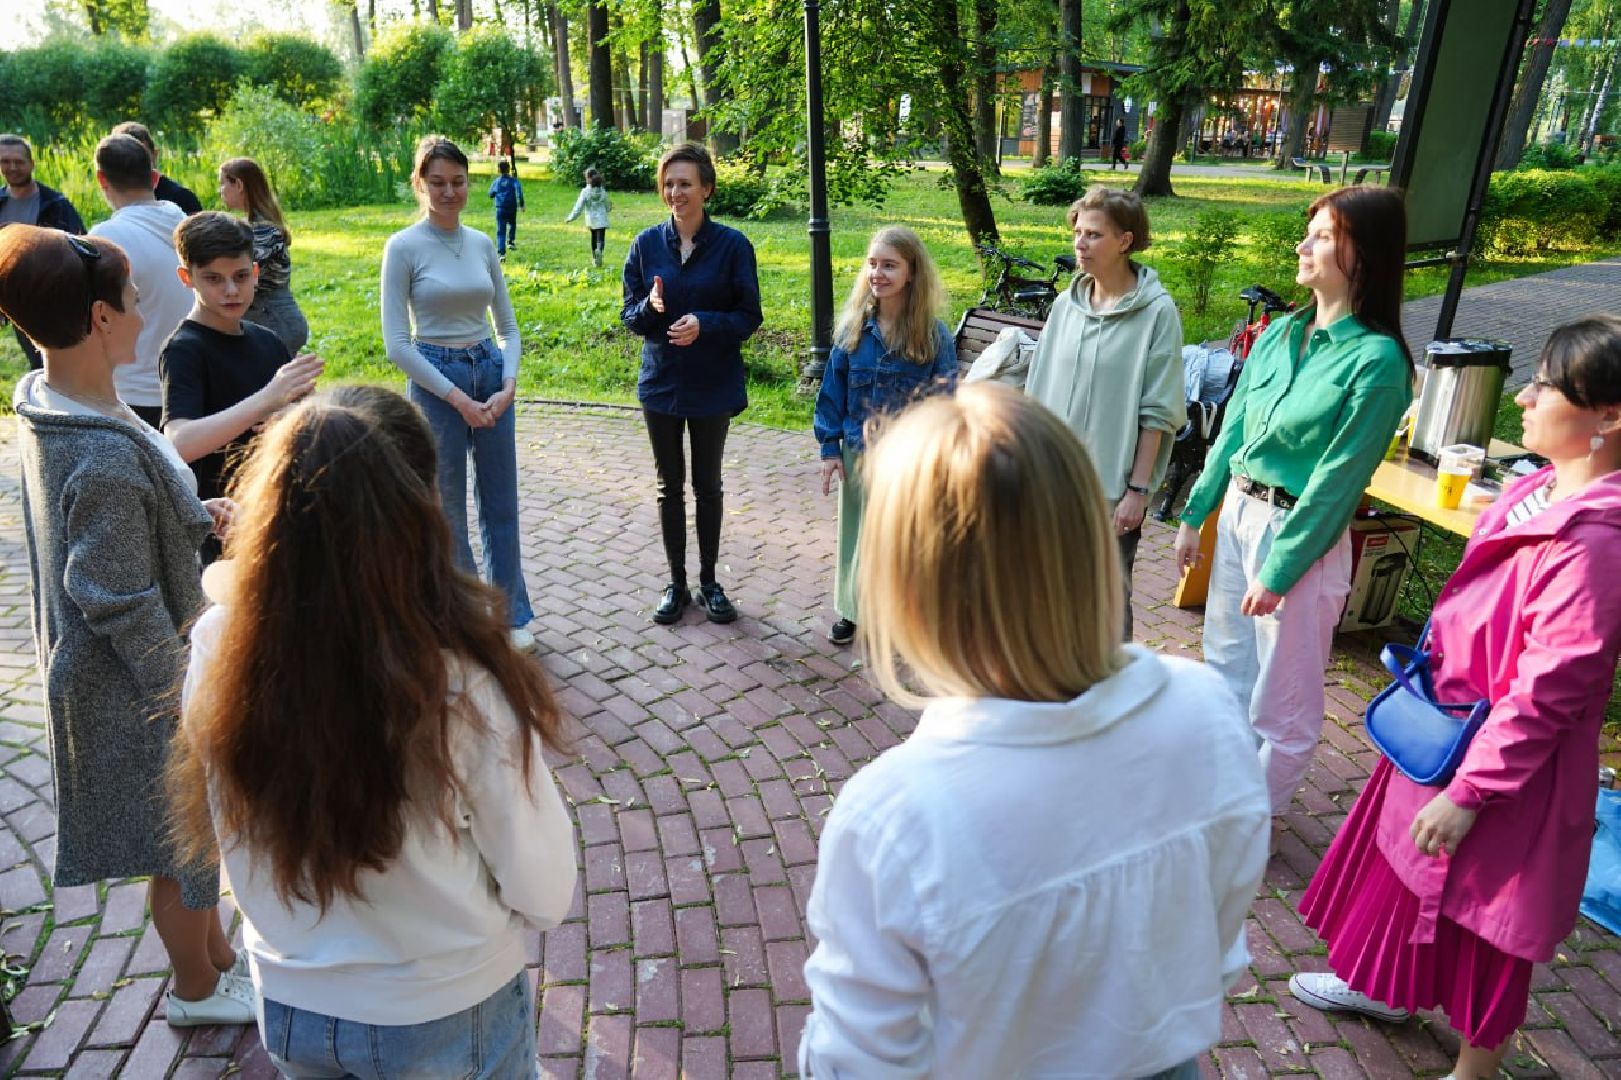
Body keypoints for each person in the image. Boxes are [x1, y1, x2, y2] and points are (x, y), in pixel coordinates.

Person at [798, 382, 1271, 1078]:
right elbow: (1218, 925)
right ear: (1085, 538)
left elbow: (855, 1061)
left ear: (905, 588)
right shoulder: (1205, 710)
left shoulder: (893, 816)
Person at [169, 388, 577, 1078]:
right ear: (419, 503)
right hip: (448, 1004)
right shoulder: (457, 671)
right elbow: (543, 889)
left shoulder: (217, 641)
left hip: (295, 999)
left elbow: (223, 816)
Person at [1289, 315, 1621, 1080]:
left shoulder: (1598, 541)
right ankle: (1384, 985)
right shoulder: (1541, 483)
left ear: (1608, 416)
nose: (1524, 399)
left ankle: (1471, 1072)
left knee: (1489, 917)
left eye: (1547, 386)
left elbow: (1550, 688)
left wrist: (1472, 790)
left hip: (1504, 762)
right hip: (1447, 724)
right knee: (1403, 864)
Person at [0, 224, 252, 1026]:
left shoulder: (60, 401)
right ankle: (197, 992)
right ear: (101, 319)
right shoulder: (100, 449)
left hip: (125, 674)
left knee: (194, 829)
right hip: (137, 685)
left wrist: (188, 514)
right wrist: (181, 693)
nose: (147, 313)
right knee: (176, 842)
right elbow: (110, 591)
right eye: (135, 300)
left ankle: (216, 959)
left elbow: (119, 525)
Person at [1173, 185, 1413, 817]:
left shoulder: (1378, 361)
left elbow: (1338, 480)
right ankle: (1222, 801)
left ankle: (1258, 823)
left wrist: (1280, 571)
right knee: (1226, 666)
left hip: (1299, 535)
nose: (1305, 246)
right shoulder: (1281, 332)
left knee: (1283, 699)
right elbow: (1232, 429)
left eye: (1325, 236)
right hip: (1242, 513)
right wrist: (1197, 513)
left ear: (1366, 254)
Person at [382, 136, 534, 650]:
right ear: (420, 184)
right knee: (446, 507)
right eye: (438, 182)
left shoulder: (482, 244)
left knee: (501, 502)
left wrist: (508, 383)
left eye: (458, 181)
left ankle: (511, 614)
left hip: (490, 372)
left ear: (470, 183)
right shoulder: (402, 248)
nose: (449, 192)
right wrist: (456, 399)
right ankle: (467, 617)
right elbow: (396, 344)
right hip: (434, 380)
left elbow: (509, 329)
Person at [1024, 185, 1184, 640]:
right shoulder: (1066, 307)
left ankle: (1115, 698)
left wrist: (1138, 490)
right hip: (1050, 482)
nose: (1079, 243)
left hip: (1110, 489)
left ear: (1126, 241)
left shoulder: (1157, 313)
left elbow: (1158, 410)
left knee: (1107, 602)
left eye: (1094, 235)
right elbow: (1037, 393)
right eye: (1077, 232)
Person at [621, 142, 763, 626]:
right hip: (661, 384)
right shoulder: (645, 245)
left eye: (685, 183)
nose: (675, 192)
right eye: (668, 184)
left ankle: (709, 582)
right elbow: (631, 316)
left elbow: (749, 316)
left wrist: (704, 323)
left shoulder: (733, 246)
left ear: (707, 188)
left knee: (708, 485)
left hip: (711, 385)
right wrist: (650, 309)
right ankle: (676, 583)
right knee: (669, 487)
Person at [812, 226, 955, 646]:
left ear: (912, 273)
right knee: (857, 536)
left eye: (890, 265)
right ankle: (852, 610)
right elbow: (831, 393)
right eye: (873, 264)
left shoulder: (932, 335)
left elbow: (944, 400)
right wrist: (829, 448)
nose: (878, 273)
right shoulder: (853, 330)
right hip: (859, 450)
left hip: (909, 459)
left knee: (904, 539)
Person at [162, 212, 324, 563]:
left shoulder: (268, 341)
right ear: (186, 278)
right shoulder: (185, 349)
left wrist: (293, 416)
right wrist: (268, 399)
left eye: (239, 276)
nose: (231, 290)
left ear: (255, 272)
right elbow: (180, 443)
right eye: (214, 279)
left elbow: (300, 422)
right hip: (228, 529)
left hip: (282, 512)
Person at [88, 134, 191, 429]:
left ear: (101, 179)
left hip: (136, 391)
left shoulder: (105, 240)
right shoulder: (185, 224)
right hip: (193, 380)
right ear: (155, 177)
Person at [0, 134, 86, 369]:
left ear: (31, 163)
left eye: (18, 161)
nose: (12, 167)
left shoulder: (55, 204)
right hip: (12, 297)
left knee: (54, 361)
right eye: (5, 161)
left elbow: (80, 245)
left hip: (50, 295)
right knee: (35, 362)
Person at [218, 157, 309, 358]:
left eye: (223, 183)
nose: (220, 190)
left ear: (239, 185)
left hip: (274, 322)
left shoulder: (264, 232)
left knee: (283, 387)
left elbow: (246, 275)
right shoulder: (255, 227)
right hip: (265, 320)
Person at [110, 121, 203, 215]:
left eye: (142, 157)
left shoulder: (182, 198)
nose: (135, 164)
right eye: (126, 159)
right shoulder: (116, 197)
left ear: (155, 155)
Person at [565, 166, 612, 268]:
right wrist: (609, 208)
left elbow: (579, 206)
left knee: (593, 238)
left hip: (591, 221)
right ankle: (599, 250)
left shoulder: (585, 192)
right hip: (602, 220)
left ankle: (595, 259)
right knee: (601, 239)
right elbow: (607, 206)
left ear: (589, 178)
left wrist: (571, 217)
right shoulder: (602, 191)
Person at [487, 159, 526, 258]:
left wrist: (496, 194)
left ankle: (501, 253)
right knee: (512, 224)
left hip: (500, 208)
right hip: (512, 207)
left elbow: (490, 194)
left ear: (499, 170)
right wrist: (521, 204)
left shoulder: (497, 181)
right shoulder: (514, 181)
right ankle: (511, 241)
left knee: (501, 230)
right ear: (509, 169)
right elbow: (519, 193)